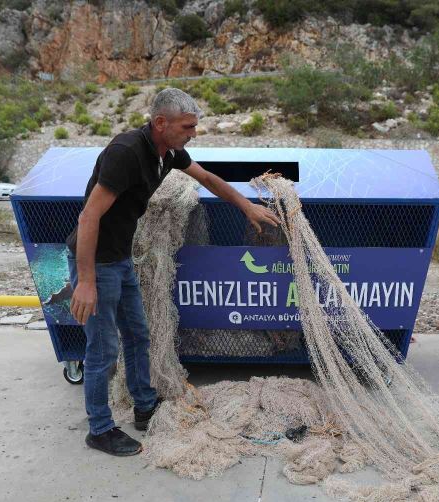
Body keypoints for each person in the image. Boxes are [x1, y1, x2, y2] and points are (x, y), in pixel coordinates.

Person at [65, 88, 280, 456]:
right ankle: (99, 429)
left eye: (194, 126)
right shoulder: (126, 153)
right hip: (96, 263)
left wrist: (246, 206)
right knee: (103, 349)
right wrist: (85, 281)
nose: (193, 133)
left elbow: (207, 179)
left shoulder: (168, 152)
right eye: (188, 126)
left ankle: (145, 407)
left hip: (120, 258)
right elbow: (89, 216)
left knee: (138, 333)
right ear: (160, 122)